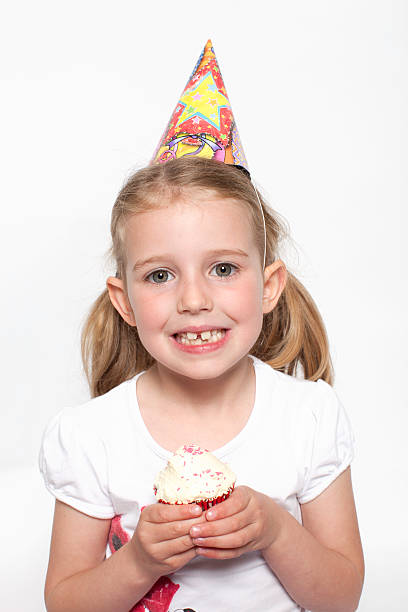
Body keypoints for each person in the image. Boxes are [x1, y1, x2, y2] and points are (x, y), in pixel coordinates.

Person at [39, 42, 364, 612]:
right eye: (161, 274)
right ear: (124, 300)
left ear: (268, 286)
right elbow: (66, 602)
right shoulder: (91, 437)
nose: (193, 299)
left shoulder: (308, 418)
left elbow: (341, 598)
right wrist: (138, 560)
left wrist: (275, 530)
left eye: (223, 268)